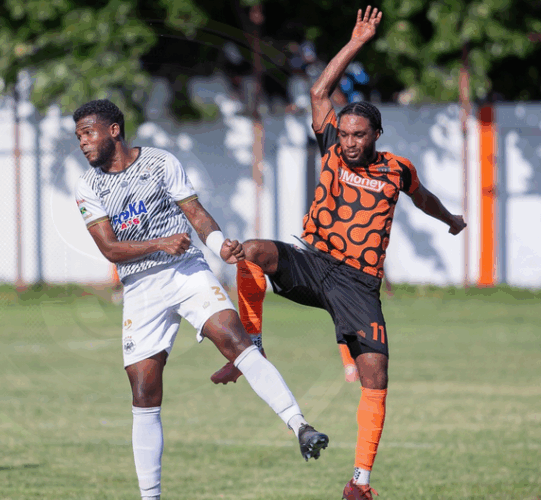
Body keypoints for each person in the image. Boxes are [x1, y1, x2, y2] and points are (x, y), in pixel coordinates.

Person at [210, 7, 466, 499]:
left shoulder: (397, 170)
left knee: (375, 377)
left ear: (376, 135)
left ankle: (360, 484)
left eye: (359, 135)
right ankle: (252, 347)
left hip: (358, 284)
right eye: (344, 134)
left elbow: (425, 198)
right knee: (253, 251)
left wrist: (451, 220)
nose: (348, 142)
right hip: (314, 263)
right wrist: (356, 42)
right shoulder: (328, 143)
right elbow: (318, 92)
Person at [72, 99, 329, 500]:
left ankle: (300, 425)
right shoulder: (88, 185)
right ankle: (150, 497)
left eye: (88, 133)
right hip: (141, 289)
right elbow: (109, 248)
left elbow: (195, 213)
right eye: (79, 137)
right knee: (143, 391)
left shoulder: (160, 162)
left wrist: (217, 244)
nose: (83, 143)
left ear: (113, 131)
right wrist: (159, 242)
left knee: (234, 338)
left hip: (186, 271)